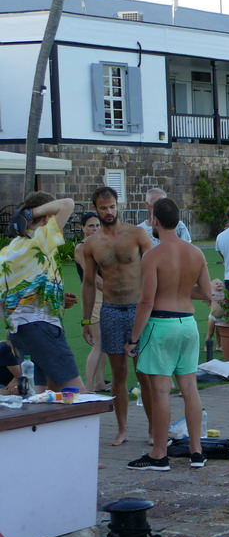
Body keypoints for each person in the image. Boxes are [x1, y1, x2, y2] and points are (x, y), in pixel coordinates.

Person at [125, 198, 211, 471]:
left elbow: (146, 302)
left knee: (161, 391)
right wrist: (181, 289)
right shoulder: (196, 253)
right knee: (189, 390)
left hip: (161, 326)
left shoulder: (153, 255)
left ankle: (159, 454)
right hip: (188, 324)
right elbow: (206, 294)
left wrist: (133, 339)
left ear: (155, 221)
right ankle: (196, 451)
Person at [81, 187, 155, 446]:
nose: (108, 211)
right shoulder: (92, 243)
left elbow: (155, 269)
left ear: (118, 205)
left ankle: (152, 429)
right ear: (95, 208)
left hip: (138, 309)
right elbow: (88, 283)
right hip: (111, 310)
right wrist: (86, 319)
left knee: (145, 372)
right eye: (103, 208)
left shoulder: (137, 234)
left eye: (112, 206)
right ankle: (122, 429)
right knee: (118, 374)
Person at [0, 193, 84, 393]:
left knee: (40, 392)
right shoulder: (39, 240)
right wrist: (28, 213)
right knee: (76, 393)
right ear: (47, 217)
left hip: (20, 329)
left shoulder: (11, 250)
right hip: (41, 327)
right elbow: (68, 203)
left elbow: (14, 292)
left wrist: (57, 299)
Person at [72, 212, 108, 392]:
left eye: (97, 225)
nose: (94, 229)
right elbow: (91, 277)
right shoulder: (81, 248)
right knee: (99, 343)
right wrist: (114, 290)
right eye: (91, 226)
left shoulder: (102, 244)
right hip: (94, 296)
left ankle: (100, 382)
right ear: (83, 228)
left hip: (106, 294)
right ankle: (87, 387)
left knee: (104, 344)